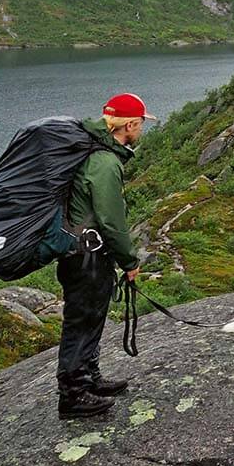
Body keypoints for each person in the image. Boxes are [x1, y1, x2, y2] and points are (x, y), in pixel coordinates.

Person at [56, 92, 155, 419]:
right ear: (128, 125)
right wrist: (130, 261)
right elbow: (111, 220)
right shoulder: (105, 163)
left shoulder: (95, 152)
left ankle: (89, 377)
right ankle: (72, 394)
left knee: (91, 315)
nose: (142, 129)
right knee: (82, 320)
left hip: (81, 252)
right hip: (88, 255)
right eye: (141, 123)